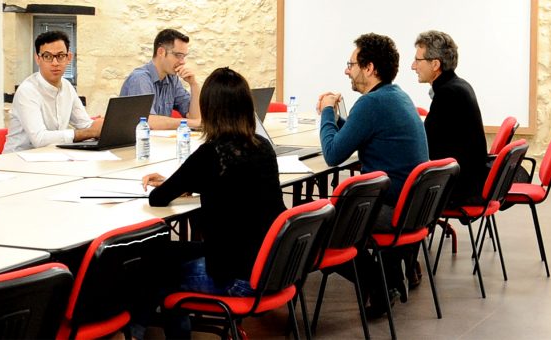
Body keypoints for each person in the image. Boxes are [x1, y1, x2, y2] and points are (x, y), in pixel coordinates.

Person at [138, 67, 285, 338]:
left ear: (209, 109)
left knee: (152, 269)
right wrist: (189, 184)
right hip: (272, 270)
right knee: (170, 254)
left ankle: (136, 334)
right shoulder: (263, 147)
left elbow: (158, 198)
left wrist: (179, 184)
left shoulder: (210, 153)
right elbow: (231, 183)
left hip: (237, 279)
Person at [316, 33, 428, 316]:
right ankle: (384, 280)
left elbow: (332, 154)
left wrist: (328, 112)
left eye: (351, 64)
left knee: (317, 229)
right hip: (412, 207)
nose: (346, 70)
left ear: (369, 68)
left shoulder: (371, 103)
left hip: (392, 210)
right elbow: (362, 130)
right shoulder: (394, 95)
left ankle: (377, 284)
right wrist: (340, 119)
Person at [413, 30, 487, 207]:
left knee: (396, 183)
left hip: (459, 188)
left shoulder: (448, 93)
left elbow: (426, 146)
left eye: (418, 60)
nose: (413, 66)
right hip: (471, 179)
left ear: (435, 64)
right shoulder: (458, 85)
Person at [3, 31, 102, 152]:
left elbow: (85, 124)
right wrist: (87, 133)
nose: (55, 63)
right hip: (17, 162)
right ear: (38, 59)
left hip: (52, 157)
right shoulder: (27, 90)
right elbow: (39, 139)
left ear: (68, 58)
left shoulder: (67, 87)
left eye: (60, 56)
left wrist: (104, 126)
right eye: (48, 57)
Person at [120, 28, 202, 130]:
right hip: (137, 144)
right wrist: (192, 123)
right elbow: (148, 122)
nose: (182, 62)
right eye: (178, 55)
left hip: (158, 143)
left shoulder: (173, 79)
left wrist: (194, 85)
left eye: (184, 56)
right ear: (161, 52)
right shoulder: (140, 79)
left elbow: (195, 118)